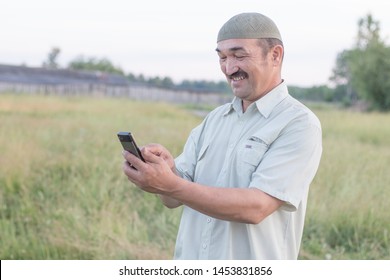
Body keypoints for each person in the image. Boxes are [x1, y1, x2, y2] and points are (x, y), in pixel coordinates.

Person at [122, 12, 322, 260]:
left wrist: (172, 185)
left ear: (275, 55)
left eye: (239, 55)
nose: (229, 68)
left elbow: (257, 207)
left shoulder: (299, 124)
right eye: (222, 57)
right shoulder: (214, 119)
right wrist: (166, 171)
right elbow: (171, 200)